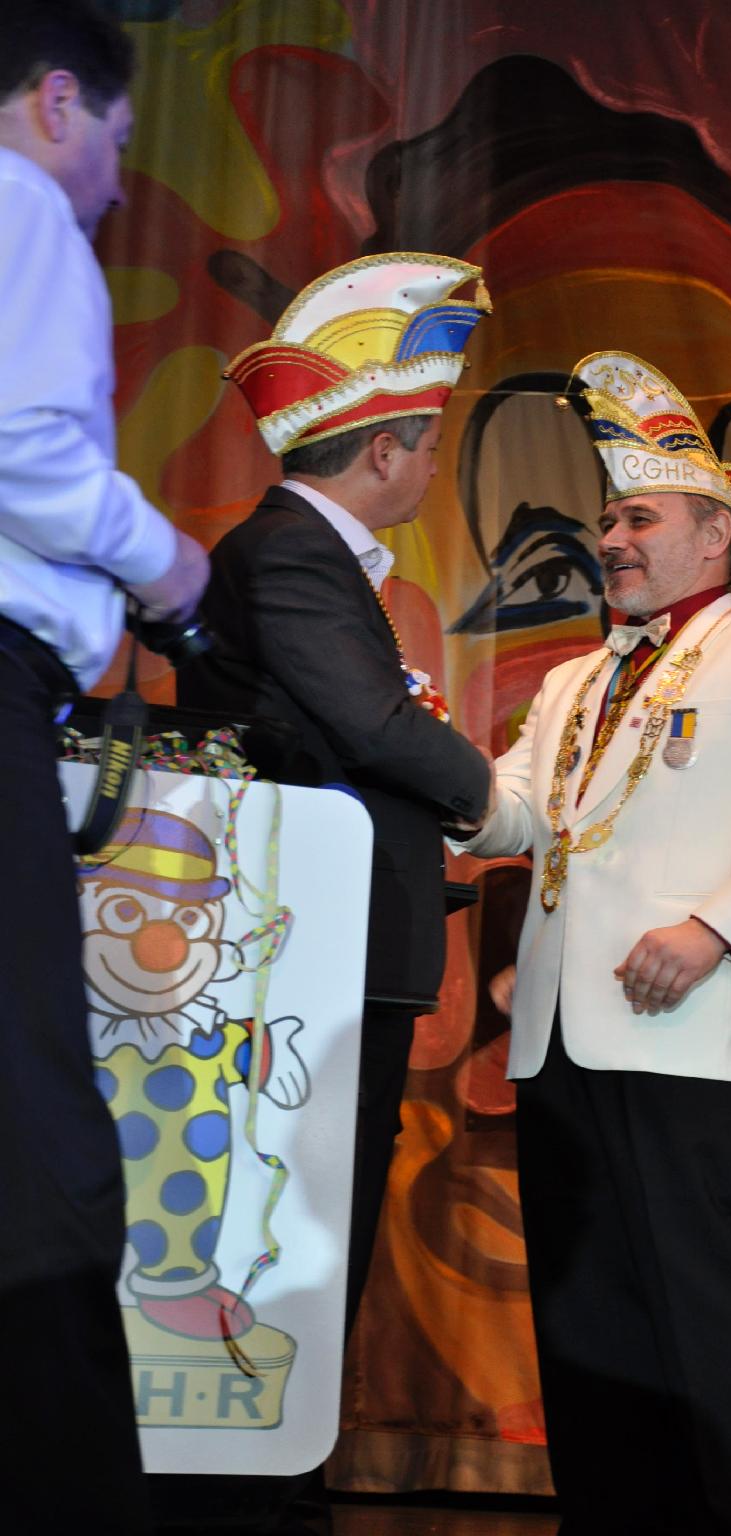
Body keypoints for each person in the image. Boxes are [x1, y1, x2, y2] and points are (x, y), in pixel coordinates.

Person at [459, 350, 731, 1536]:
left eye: (638, 518)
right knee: (587, 1332)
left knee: (711, 1322)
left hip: (682, 1034)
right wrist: (415, 749)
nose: (612, 539)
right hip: (561, 1041)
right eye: (606, 520)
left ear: (714, 535)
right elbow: (512, 813)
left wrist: (714, 929)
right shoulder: (570, 680)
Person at [175, 252, 491, 1533]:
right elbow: (368, 727)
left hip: (330, 944)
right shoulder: (295, 554)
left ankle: (271, 1477)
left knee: (310, 1226)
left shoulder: (309, 555)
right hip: (299, 958)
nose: (433, 471)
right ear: (388, 448)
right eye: (432, 448)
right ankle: (251, 1492)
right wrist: (493, 796)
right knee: (289, 1230)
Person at [0, 5, 210, 1533]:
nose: (120, 186)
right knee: (37, 1116)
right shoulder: (19, 203)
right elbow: (26, 448)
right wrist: (167, 560)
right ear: (58, 100)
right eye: (122, 143)